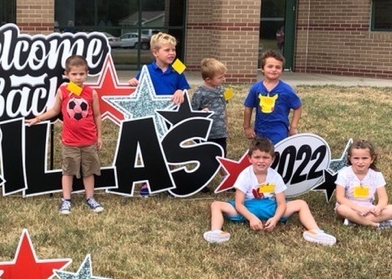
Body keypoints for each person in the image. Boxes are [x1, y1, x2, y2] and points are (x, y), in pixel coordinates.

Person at [203, 137, 337, 245]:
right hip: (246, 208)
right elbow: (239, 204)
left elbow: (282, 203)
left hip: (270, 208)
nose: (261, 161)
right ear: (250, 158)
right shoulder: (245, 175)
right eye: (257, 157)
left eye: (266, 157)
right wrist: (252, 218)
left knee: (301, 203)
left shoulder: (275, 176)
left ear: (272, 159)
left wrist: (275, 219)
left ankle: (315, 232)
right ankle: (216, 232)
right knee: (216, 205)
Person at [26, 55, 104, 215]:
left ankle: (90, 198)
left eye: (81, 74)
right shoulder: (63, 91)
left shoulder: (91, 93)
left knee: (89, 171)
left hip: (89, 141)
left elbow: (96, 115)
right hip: (70, 142)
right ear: (67, 74)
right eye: (74, 74)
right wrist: (38, 118)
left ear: (87, 73)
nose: (78, 77)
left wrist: (99, 137)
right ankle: (66, 200)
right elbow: (55, 111)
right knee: (68, 171)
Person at [127, 32, 190, 196]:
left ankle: (169, 181)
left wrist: (180, 91)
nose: (172, 53)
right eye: (167, 50)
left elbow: (183, 87)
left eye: (174, 50)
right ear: (155, 52)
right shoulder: (146, 70)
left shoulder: (177, 70)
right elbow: (137, 85)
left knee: (169, 147)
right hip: (150, 118)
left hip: (169, 118)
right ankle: (147, 181)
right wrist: (133, 82)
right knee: (148, 149)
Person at [334, 140, 392, 229]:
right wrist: (357, 208)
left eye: (364, 158)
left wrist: (379, 207)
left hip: (368, 209)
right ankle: (376, 224)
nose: (360, 162)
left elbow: (383, 198)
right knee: (341, 209)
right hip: (350, 208)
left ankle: (355, 221)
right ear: (350, 158)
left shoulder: (376, 175)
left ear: (372, 159)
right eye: (356, 158)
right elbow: (340, 198)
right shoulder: (344, 173)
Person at [243, 50, 301, 144]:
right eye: (270, 66)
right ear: (262, 68)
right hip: (260, 130)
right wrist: (247, 127)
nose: (274, 69)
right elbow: (248, 107)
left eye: (278, 67)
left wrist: (293, 127)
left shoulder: (286, 90)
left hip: (279, 131)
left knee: (277, 155)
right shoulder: (256, 88)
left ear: (282, 70)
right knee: (261, 156)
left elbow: (298, 107)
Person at [190, 58, 229, 157]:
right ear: (208, 79)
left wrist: (226, 124)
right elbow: (192, 112)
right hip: (206, 133)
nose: (224, 79)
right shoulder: (200, 93)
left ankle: (224, 172)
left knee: (222, 156)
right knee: (205, 158)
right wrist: (201, 112)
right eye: (220, 77)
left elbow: (224, 108)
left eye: (224, 76)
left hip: (220, 133)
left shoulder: (222, 90)